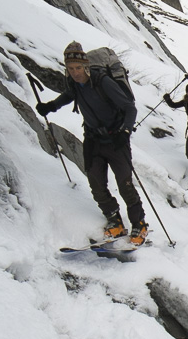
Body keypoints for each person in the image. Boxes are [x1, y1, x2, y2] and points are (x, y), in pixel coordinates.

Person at [37, 42, 148, 245]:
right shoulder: (74, 84)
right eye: (71, 69)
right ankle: (114, 219)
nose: (75, 72)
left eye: (78, 68)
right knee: (96, 184)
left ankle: (139, 223)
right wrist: (50, 107)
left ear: (86, 66)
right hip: (93, 140)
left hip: (116, 140)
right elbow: (68, 97)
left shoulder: (103, 82)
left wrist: (125, 131)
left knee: (125, 184)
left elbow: (129, 108)